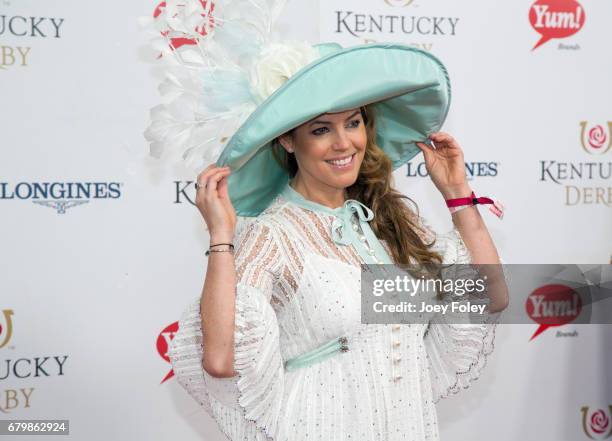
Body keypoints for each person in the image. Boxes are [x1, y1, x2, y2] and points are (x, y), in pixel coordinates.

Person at [167, 99, 507, 440]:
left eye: (353, 123)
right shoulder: (272, 234)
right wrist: (221, 237)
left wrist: (457, 193)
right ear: (287, 140)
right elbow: (221, 360)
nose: (344, 143)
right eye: (320, 129)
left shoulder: (391, 220)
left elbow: (492, 296)